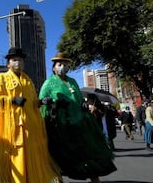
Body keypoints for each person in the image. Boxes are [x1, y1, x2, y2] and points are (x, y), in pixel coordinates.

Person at [0, 47, 62, 183]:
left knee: (30, 158)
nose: (18, 63)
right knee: (13, 158)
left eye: (20, 60)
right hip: (10, 128)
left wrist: (41, 102)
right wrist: (11, 100)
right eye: (15, 60)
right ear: (8, 63)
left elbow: (32, 102)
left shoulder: (28, 80)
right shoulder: (2, 78)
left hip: (29, 127)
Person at [39, 52, 116, 183]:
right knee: (60, 155)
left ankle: (95, 179)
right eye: (59, 64)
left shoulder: (73, 81)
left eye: (65, 64)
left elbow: (80, 98)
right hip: (60, 125)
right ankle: (58, 180)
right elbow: (41, 101)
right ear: (53, 68)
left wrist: (84, 104)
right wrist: (54, 103)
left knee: (89, 151)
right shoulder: (49, 83)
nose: (63, 66)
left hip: (80, 123)